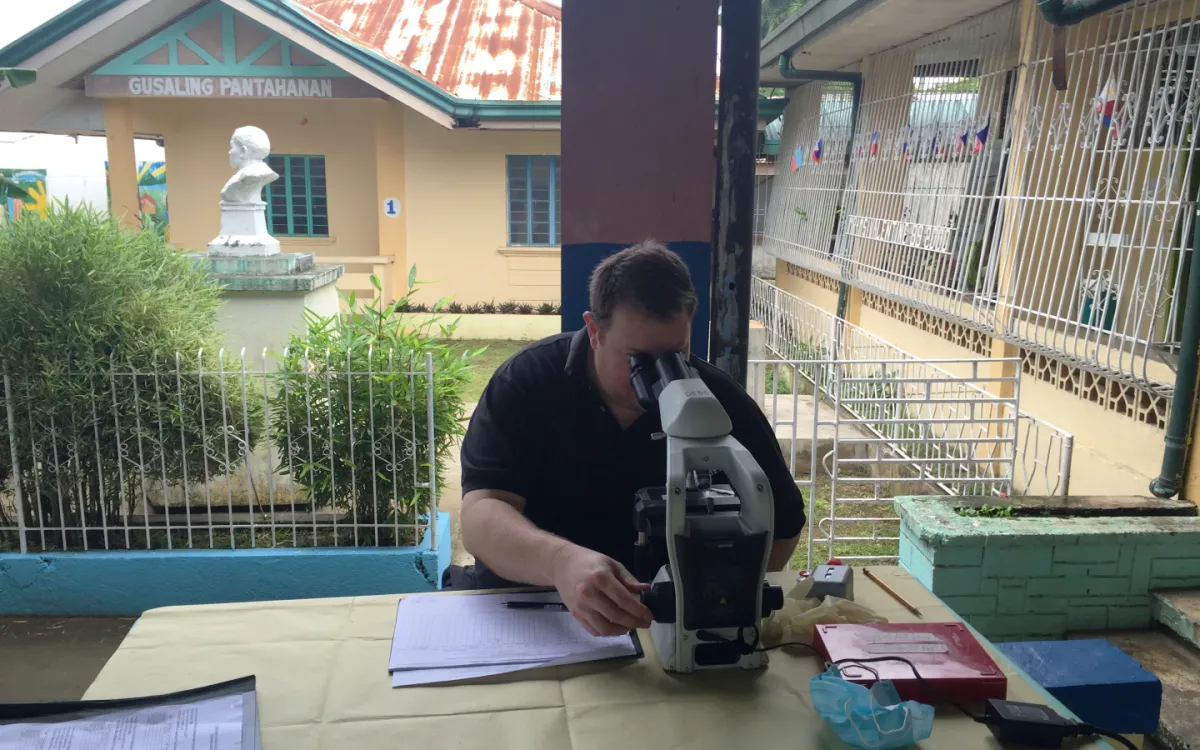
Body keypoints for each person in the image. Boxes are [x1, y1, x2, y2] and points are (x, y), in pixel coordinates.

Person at [456, 240, 806, 637]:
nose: (660, 379)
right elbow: (480, 517)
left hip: (659, 626)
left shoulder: (719, 402)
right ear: (594, 331)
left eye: (676, 354)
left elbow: (783, 525)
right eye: (639, 359)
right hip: (533, 612)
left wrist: (717, 589)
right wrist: (559, 562)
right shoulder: (527, 383)